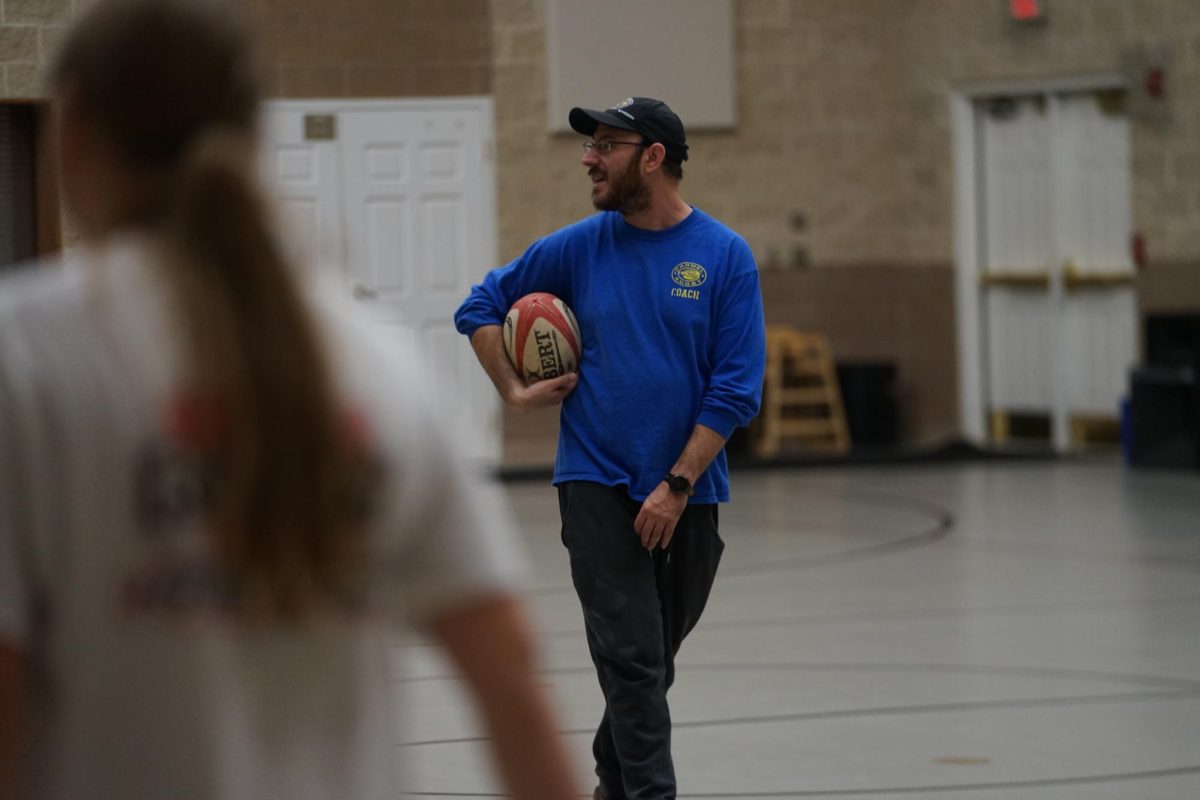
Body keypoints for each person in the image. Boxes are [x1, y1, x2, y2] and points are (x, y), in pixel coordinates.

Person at [0, 1, 580, 798]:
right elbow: (508, 671)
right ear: (252, 137)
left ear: (73, 135)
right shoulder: (374, 357)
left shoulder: (26, 355)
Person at [455, 96, 766, 800]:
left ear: (653, 157)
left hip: (689, 493)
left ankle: (610, 782)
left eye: (606, 144)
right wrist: (511, 389)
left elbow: (737, 388)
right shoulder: (578, 246)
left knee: (651, 663)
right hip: (594, 480)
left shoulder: (724, 256)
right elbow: (478, 306)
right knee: (631, 658)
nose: (588, 158)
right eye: (590, 145)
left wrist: (678, 484)